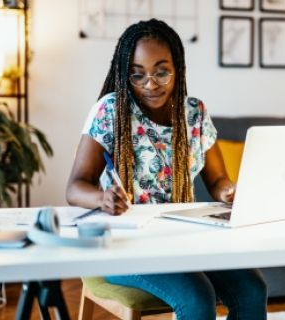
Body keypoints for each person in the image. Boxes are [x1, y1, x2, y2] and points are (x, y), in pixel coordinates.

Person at [66, 19, 267, 320]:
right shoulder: (110, 111)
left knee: (252, 290)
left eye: (161, 71)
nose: (150, 83)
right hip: (125, 244)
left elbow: (217, 180)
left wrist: (228, 190)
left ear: (178, 68)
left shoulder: (194, 114)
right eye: (138, 74)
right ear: (126, 74)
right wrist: (102, 198)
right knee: (198, 297)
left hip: (183, 238)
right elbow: (75, 187)